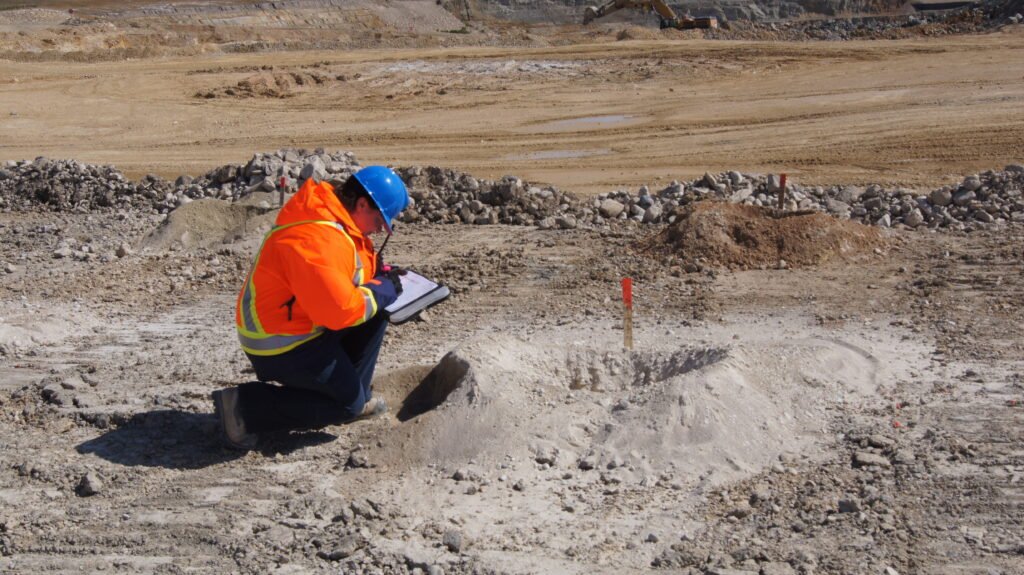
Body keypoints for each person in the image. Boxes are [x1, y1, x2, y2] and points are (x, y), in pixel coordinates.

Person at [211, 165, 410, 450]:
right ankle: (243, 408)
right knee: (346, 406)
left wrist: (379, 278)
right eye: (380, 221)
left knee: (376, 314)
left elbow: (340, 278)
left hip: (300, 324)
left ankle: (353, 396)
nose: (380, 229)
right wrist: (380, 291)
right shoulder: (318, 237)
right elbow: (339, 311)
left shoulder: (334, 221)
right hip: (279, 342)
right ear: (362, 204)